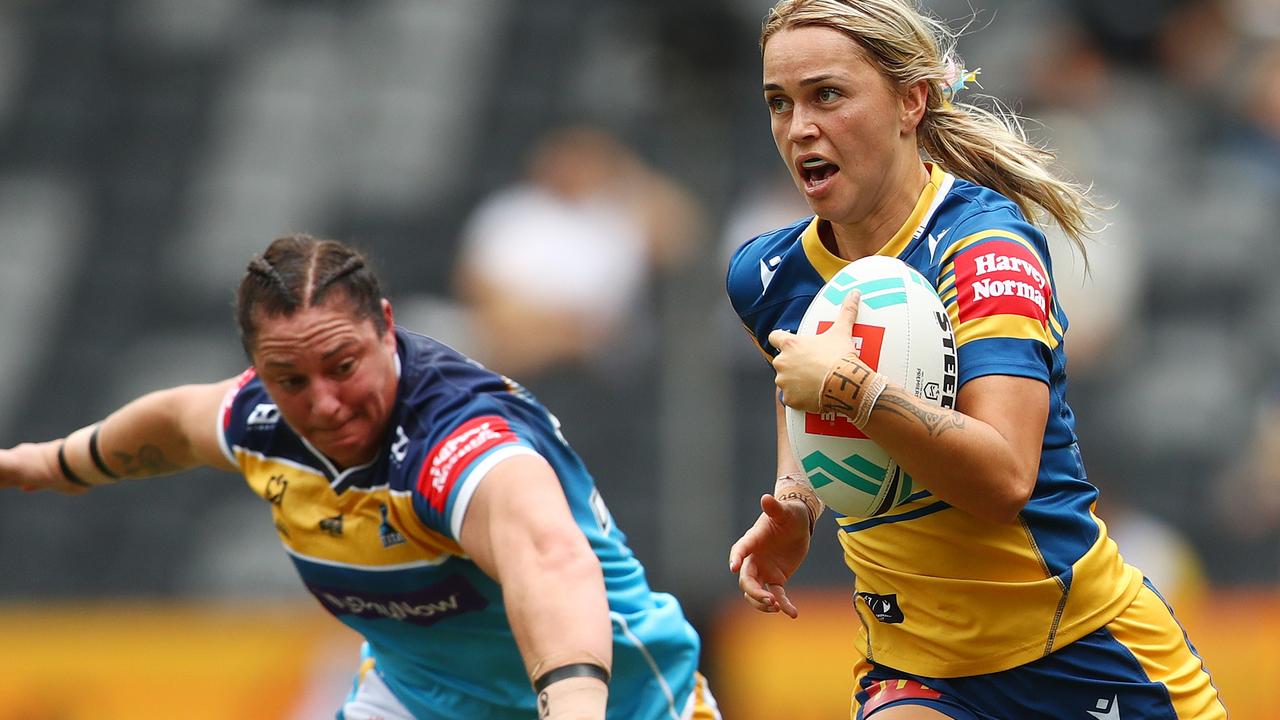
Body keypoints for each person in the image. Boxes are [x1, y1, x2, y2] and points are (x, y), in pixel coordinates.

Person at [723, 1, 1227, 718]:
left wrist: (850, 388)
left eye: (827, 94)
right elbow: (799, 386)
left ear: (911, 100)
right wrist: (798, 503)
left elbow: (1004, 477)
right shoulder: (766, 274)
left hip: (1082, 654)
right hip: (916, 666)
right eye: (780, 101)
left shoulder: (985, 250)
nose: (799, 126)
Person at [0, 234, 720, 720]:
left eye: (343, 366)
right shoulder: (260, 417)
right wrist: (49, 463)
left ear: (384, 324)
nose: (325, 402)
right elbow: (176, 422)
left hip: (621, 704)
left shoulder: (461, 440)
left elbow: (551, 562)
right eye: (290, 379)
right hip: (422, 698)